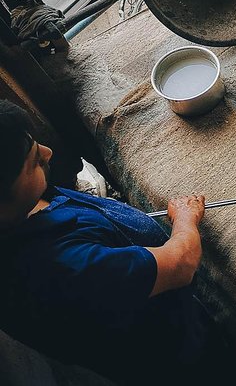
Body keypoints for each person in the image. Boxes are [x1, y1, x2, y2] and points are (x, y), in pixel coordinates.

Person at [0, 99, 221, 385]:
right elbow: (181, 263)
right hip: (166, 348)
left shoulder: (20, 210)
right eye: (32, 162)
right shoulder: (64, 270)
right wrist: (185, 220)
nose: (47, 152)